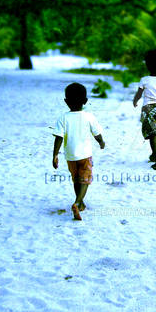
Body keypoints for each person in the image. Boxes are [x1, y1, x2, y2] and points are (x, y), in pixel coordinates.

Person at [52, 82, 105, 220]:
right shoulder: (89, 116)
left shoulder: (63, 118)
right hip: (85, 155)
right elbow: (96, 134)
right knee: (85, 179)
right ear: (85, 101)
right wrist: (101, 142)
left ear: (66, 101)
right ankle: (77, 202)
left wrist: (55, 155)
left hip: (70, 156)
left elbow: (58, 138)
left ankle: (80, 203)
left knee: (76, 179)